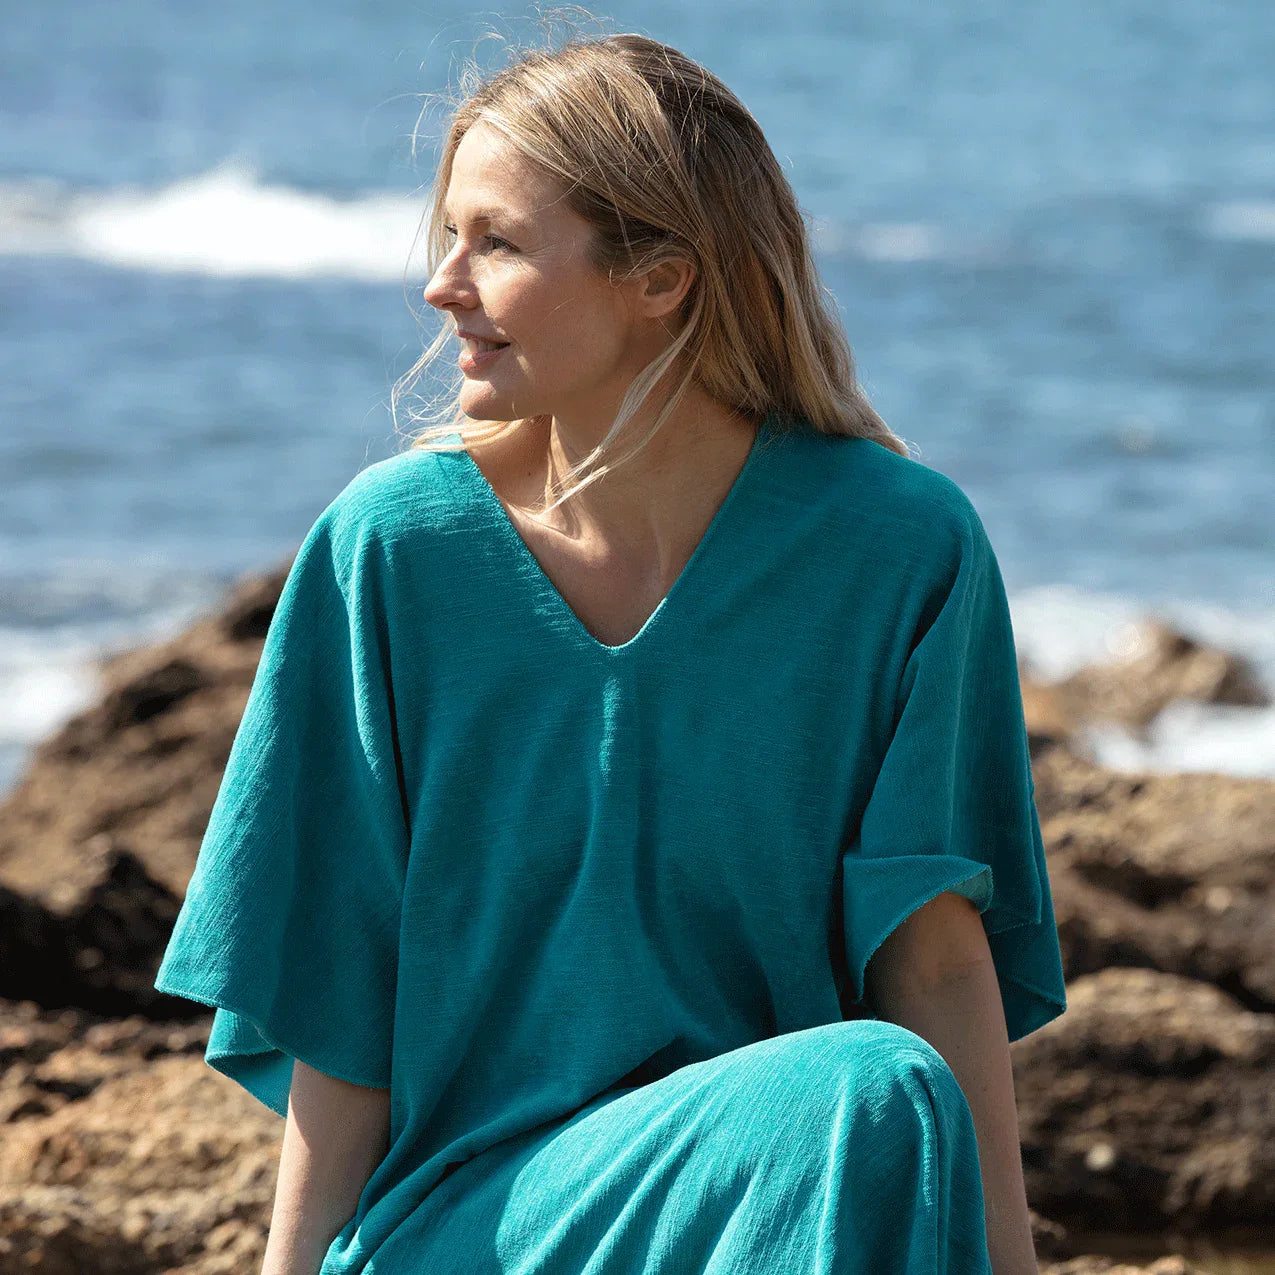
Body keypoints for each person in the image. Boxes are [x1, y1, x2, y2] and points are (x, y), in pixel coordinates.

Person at [154, 29, 1067, 1275]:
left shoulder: (903, 551)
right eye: (449, 237)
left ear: (662, 280)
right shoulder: (393, 551)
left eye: (497, 242)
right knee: (867, 1091)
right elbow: (340, 987)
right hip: (466, 1229)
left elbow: (939, 962)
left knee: (875, 1091)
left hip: (768, 1209)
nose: (443, 285)